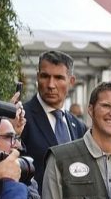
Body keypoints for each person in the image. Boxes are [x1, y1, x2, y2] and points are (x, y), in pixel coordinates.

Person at [20, 50, 87, 186]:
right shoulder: (21, 118)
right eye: (45, 76)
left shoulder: (79, 126)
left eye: (58, 78)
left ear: (71, 81)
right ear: (38, 77)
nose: (51, 85)